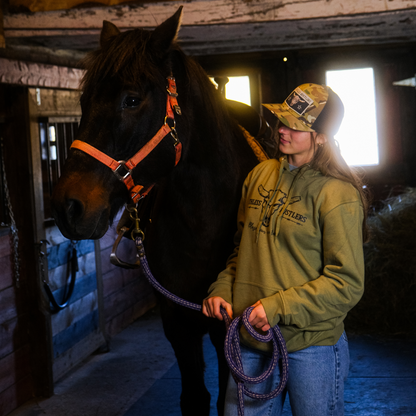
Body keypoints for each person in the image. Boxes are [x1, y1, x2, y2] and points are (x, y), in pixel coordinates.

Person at [202, 83, 369, 416]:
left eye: (296, 126)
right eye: (281, 120)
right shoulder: (259, 175)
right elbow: (241, 251)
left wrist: (276, 307)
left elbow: (346, 283)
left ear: (321, 136)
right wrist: (221, 289)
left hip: (312, 346)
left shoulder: (337, 195)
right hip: (250, 340)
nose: (282, 130)